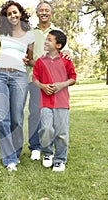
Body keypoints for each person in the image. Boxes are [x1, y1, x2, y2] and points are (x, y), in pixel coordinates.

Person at [0, 0, 35, 171]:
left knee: (17, 118)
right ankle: (9, 159)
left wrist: (28, 60)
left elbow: (29, 59)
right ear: (5, 17)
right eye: (9, 14)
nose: (12, 15)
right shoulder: (2, 33)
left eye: (15, 12)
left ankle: (15, 153)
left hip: (19, 77)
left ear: (21, 13)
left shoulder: (29, 35)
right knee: (2, 119)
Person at [27, 0, 71, 161]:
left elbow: (65, 53)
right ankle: (35, 147)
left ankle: (51, 147)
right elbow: (29, 58)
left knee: (53, 114)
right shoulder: (31, 33)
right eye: (41, 10)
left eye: (47, 10)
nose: (44, 12)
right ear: (37, 13)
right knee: (35, 113)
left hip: (55, 82)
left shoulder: (57, 32)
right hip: (36, 79)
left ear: (51, 13)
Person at [33, 30, 77, 172]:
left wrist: (61, 85)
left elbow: (73, 78)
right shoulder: (40, 61)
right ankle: (47, 153)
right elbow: (35, 79)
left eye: (49, 40)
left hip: (62, 103)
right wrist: (43, 86)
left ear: (58, 45)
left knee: (61, 132)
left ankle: (59, 159)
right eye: (46, 39)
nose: (46, 42)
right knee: (45, 129)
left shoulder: (66, 60)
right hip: (45, 102)